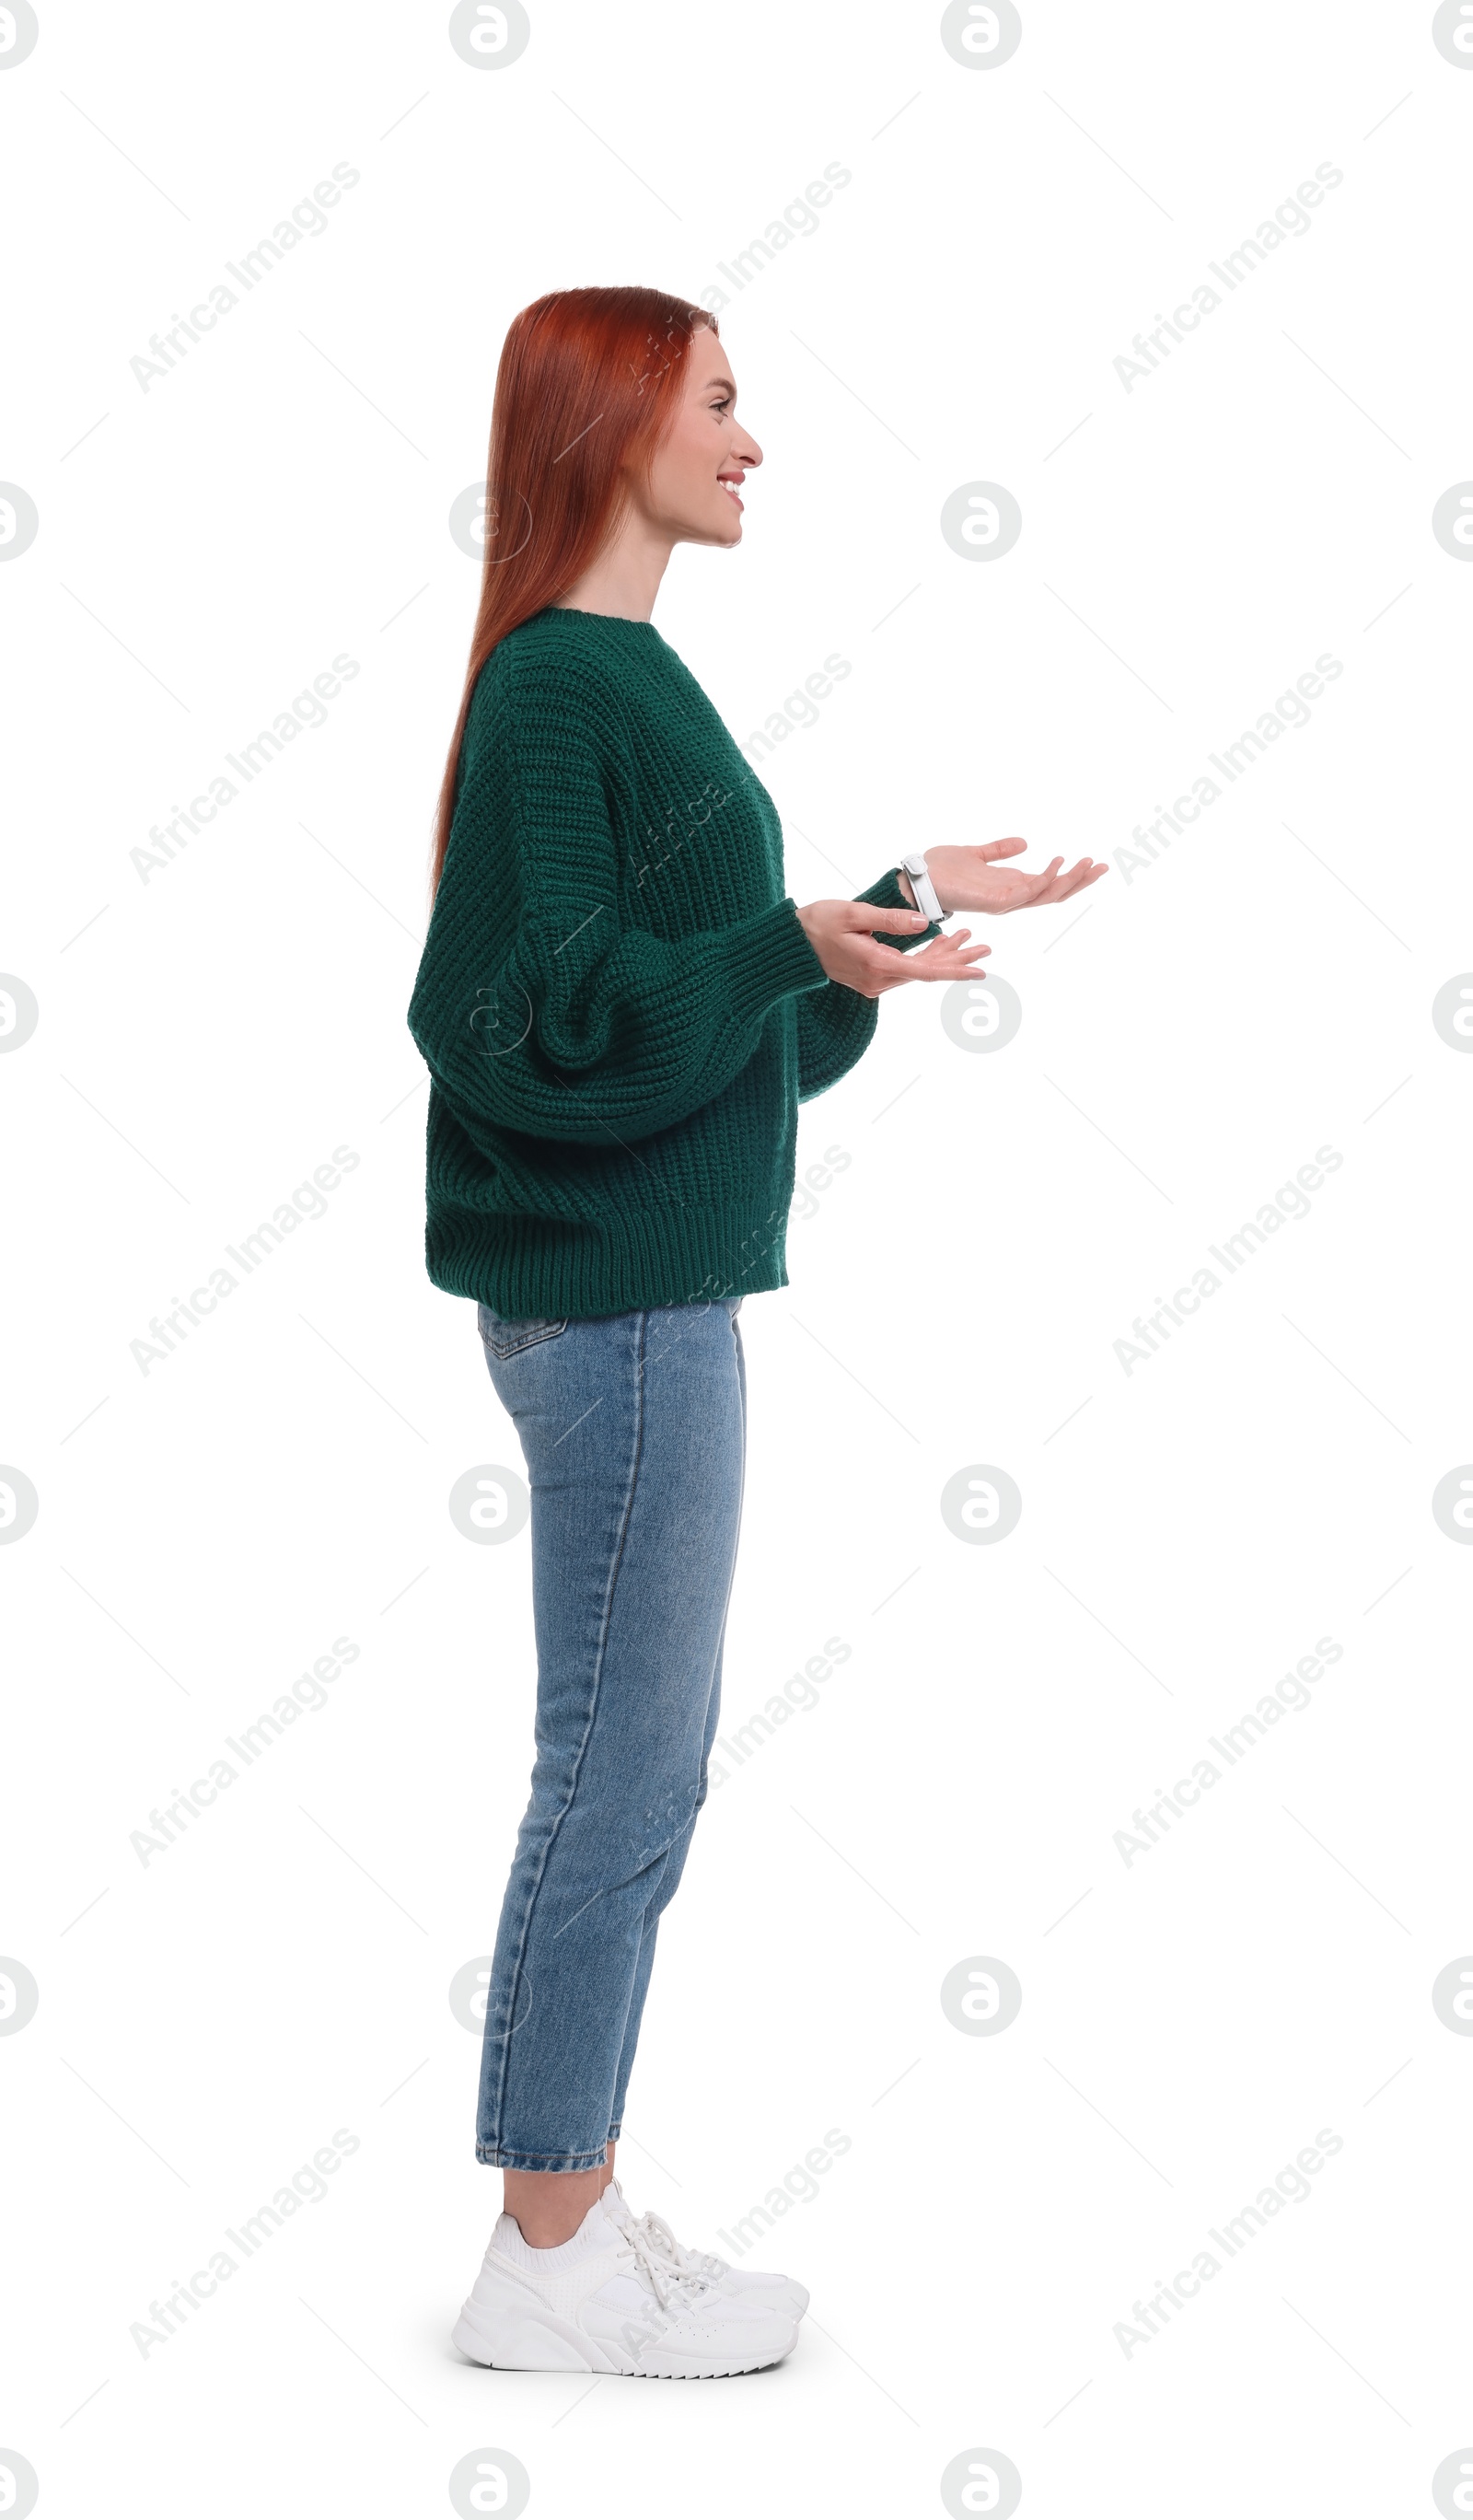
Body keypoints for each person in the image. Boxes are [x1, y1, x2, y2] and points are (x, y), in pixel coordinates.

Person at [406, 285, 1105, 2381]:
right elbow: (528, 1028)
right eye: (717, 398)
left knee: (637, 1761)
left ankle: (576, 2202)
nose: (751, 437)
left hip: (650, 1296)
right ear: (610, 420)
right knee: (615, 1766)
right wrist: (780, 939)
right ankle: (543, 2243)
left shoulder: (619, 681)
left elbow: (687, 1030)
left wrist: (853, 928)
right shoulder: (556, 696)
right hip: (616, 1311)